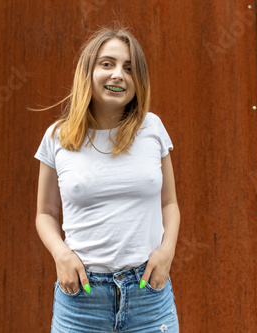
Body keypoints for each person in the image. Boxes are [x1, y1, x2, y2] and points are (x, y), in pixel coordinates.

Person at [34, 26, 180, 333]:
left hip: (149, 297)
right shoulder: (57, 137)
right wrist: (61, 255)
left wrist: (166, 252)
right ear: (87, 71)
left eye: (129, 68)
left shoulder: (152, 128)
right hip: (81, 299)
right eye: (107, 64)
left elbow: (169, 203)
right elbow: (45, 213)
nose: (118, 75)